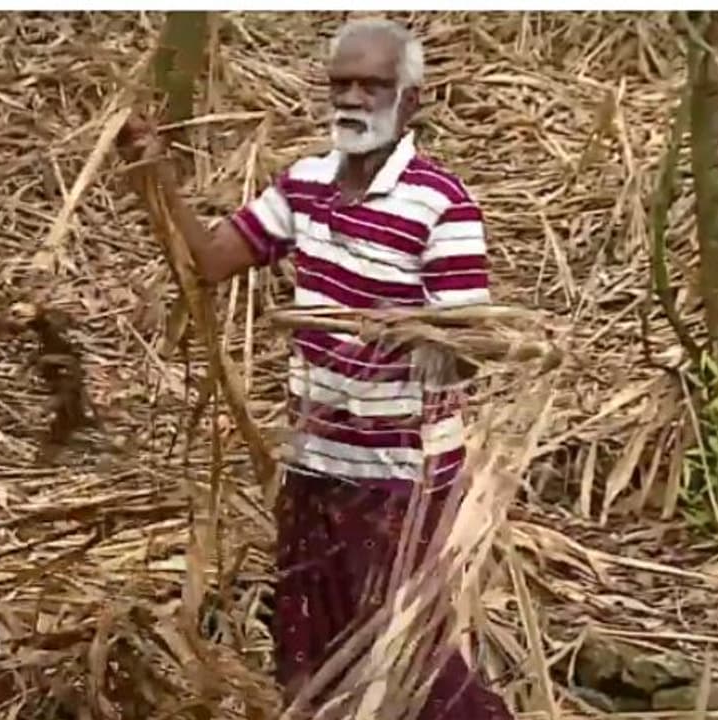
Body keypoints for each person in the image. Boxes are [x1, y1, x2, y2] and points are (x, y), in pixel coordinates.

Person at [118, 17, 512, 720]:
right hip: (317, 463)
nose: (354, 99)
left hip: (403, 478)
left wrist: (391, 331)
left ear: (410, 101)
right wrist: (158, 176)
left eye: (374, 86)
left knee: (414, 661)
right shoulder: (305, 186)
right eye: (342, 84)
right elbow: (212, 259)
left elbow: (467, 348)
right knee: (313, 660)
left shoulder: (441, 206)